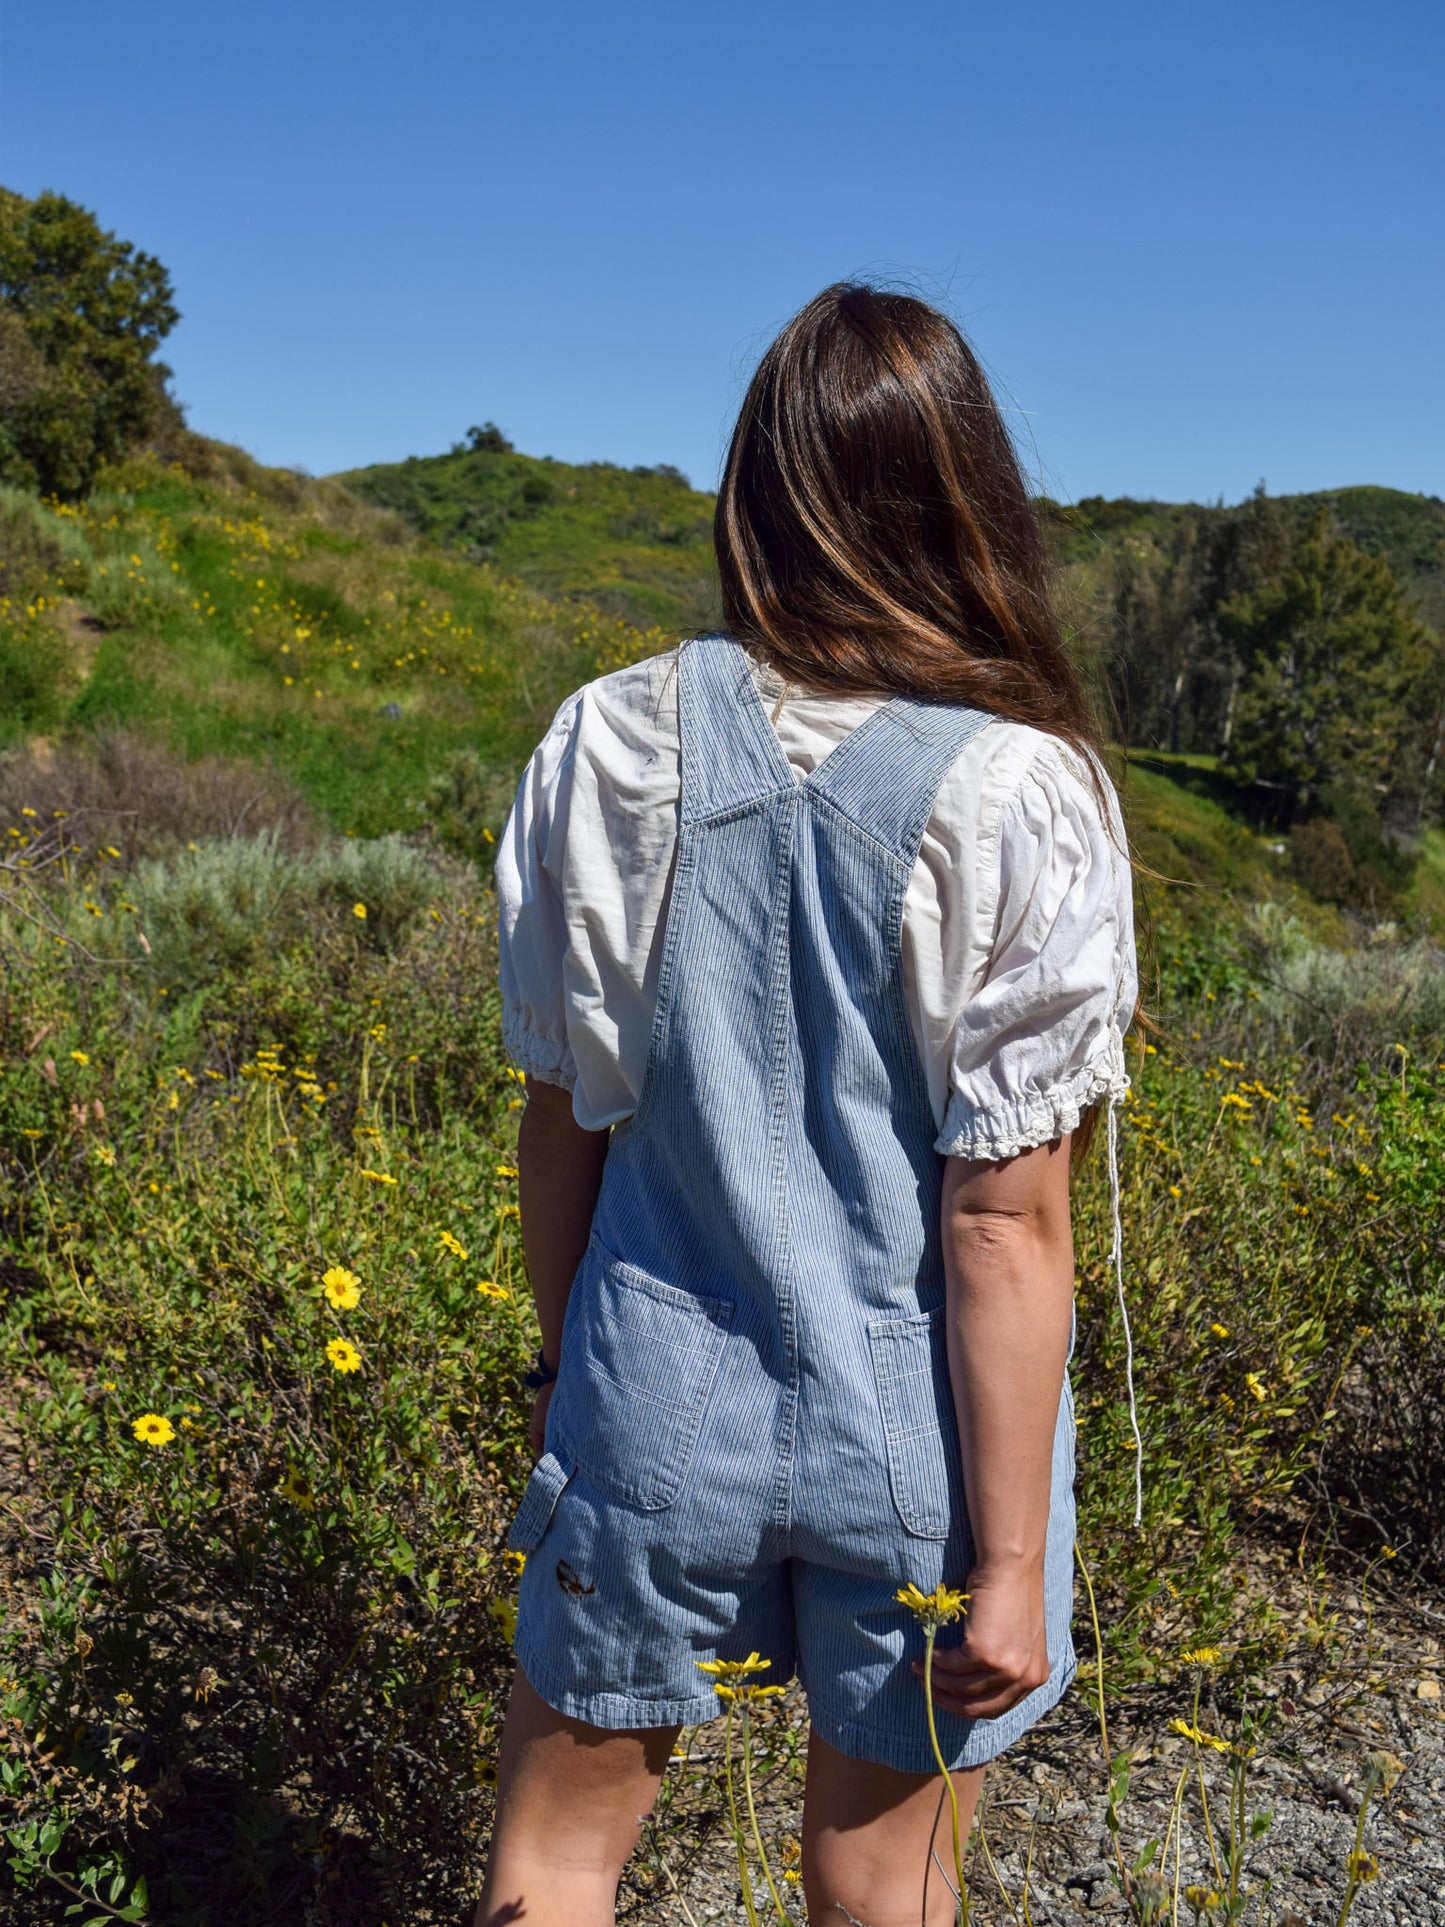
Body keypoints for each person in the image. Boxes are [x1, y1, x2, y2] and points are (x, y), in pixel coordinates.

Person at [477, 283, 1137, 1927]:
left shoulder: (608, 738)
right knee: (879, 1891)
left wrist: (570, 1377)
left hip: (646, 1386)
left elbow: (563, 1117)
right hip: (924, 1439)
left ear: (755, 488)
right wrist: (1007, 1566)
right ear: (966, 497)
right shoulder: (1017, 786)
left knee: (553, 1863)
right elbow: (1001, 1220)